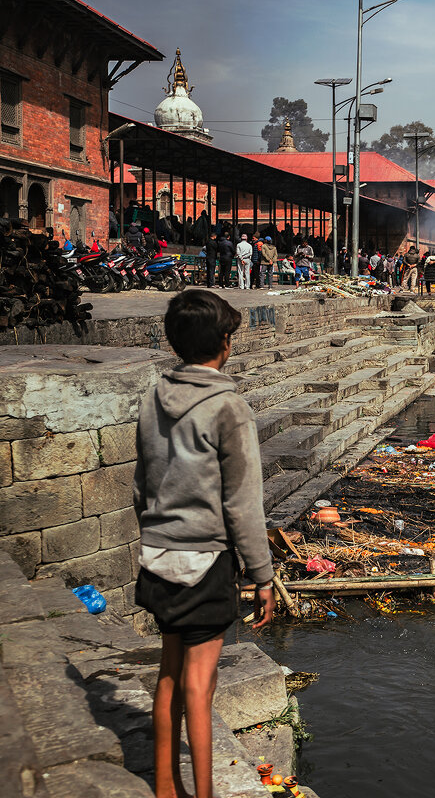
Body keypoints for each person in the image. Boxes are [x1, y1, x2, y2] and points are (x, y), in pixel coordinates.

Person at [133, 290, 275, 798]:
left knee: (169, 673)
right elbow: (243, 503)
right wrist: (263, 575)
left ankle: (167, 786)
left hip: (157, 554)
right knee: (199, 682)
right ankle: (204, 793)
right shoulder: (227, 406)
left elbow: (141, 483)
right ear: (224, 344)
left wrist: (154, 535)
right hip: (205, 557)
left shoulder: (153, 397)